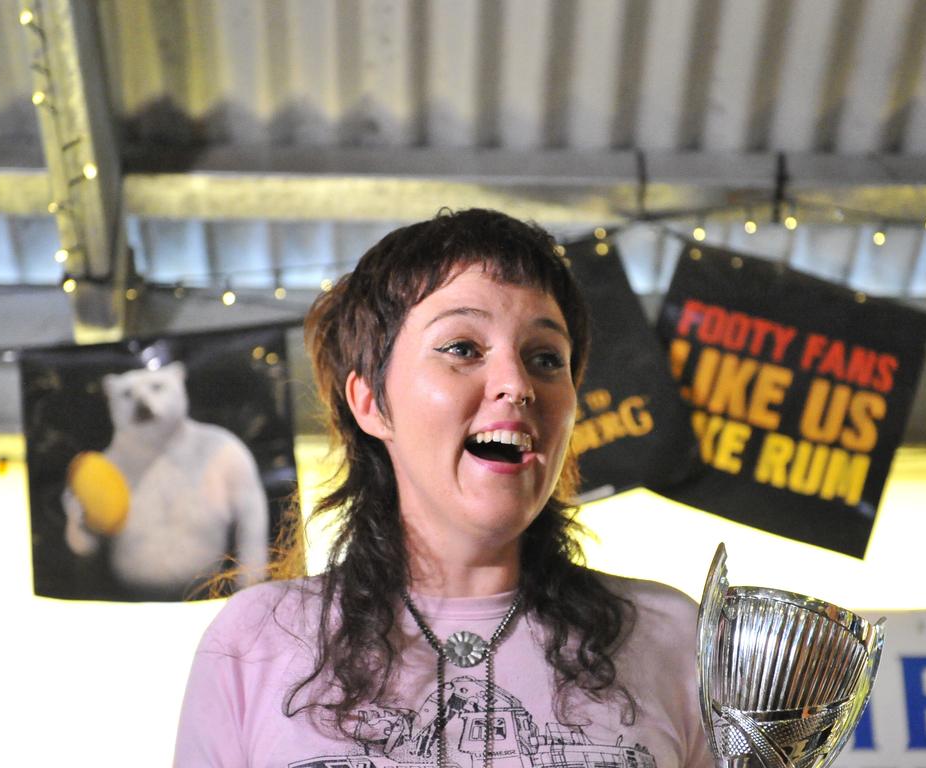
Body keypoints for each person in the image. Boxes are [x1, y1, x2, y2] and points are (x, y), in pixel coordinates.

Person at [174, 209, 712, 768]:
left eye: (546, 358)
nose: (516, 384)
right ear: (371, 403)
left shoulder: (674, 638)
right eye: (462, 348)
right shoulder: (254, 641)